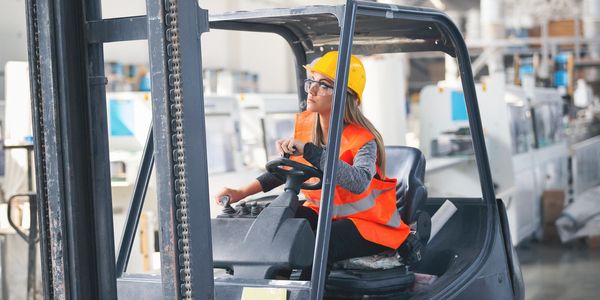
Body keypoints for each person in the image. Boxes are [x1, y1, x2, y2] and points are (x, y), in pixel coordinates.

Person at [214, 51, 411, 279]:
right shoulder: (308, 131)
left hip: (370, 226)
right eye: (312, 82)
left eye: (324, 85)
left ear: (345, 96)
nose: (312, 90)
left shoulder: (363, 140)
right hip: (324, 214)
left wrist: (311, 152)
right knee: (274, 225)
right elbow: (286, 170)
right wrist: (240, 192)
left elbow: (358, 182)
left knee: (321, 243)